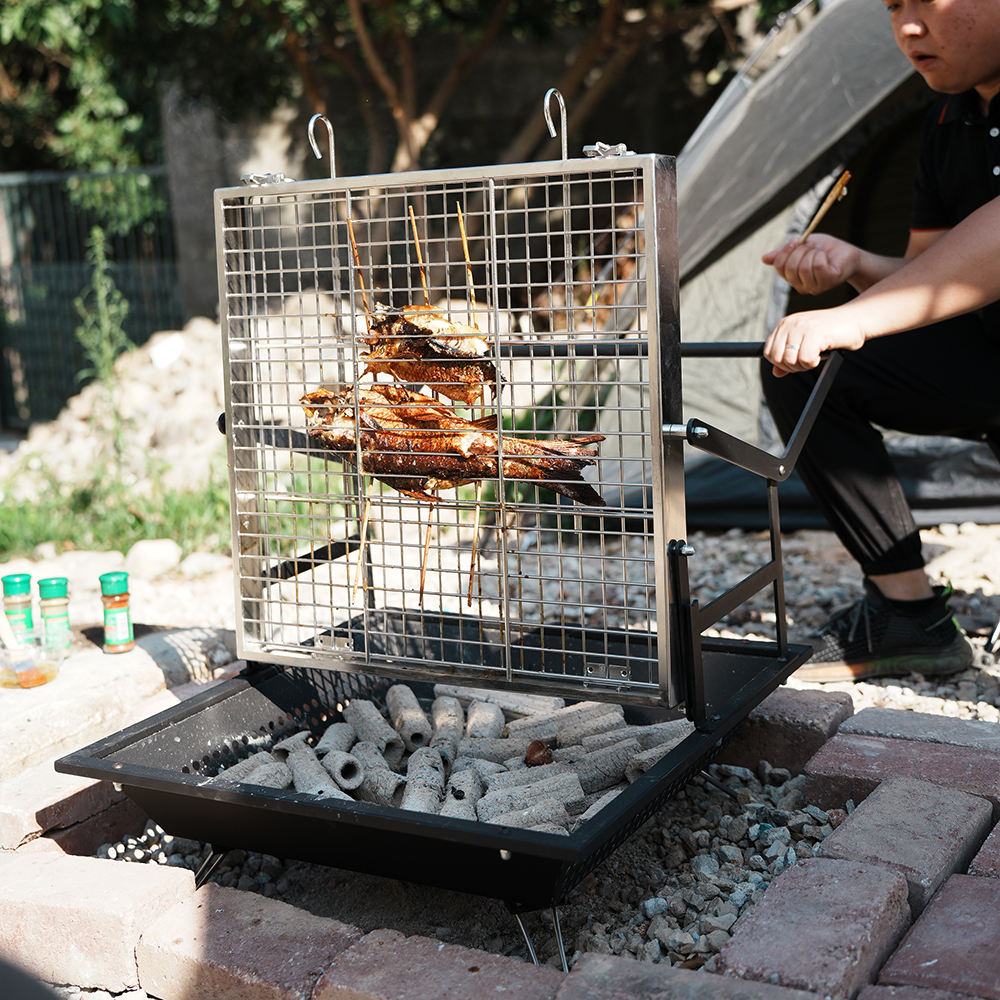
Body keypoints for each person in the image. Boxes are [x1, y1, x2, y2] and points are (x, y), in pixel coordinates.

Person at [759, 0, 1000, 681]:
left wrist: (856, 315)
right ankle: (907, 614)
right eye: (894, 6)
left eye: (927, 0)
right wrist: (857, 265)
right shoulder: (948, 118)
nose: (908, 26)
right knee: (808, 369)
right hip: (987, 358)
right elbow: (936, 272)